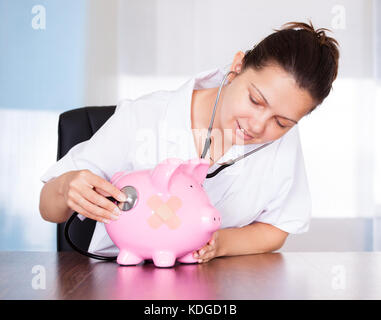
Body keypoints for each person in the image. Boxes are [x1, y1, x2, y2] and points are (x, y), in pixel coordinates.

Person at [39, 20, 340, 263]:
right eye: (255, 100)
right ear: (237, 66)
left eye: (282, 122)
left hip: (219, 287)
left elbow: (278, 226)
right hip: (118, 278)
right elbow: (49, 209)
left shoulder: (281, 142)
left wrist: (220, 243)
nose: (259, 126)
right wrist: (67, 188)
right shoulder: (144, 116)